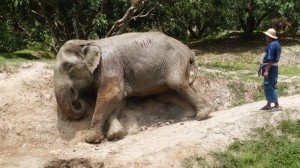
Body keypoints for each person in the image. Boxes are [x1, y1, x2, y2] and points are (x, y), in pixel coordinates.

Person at [259, 28, 282, 111]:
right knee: (271, 85)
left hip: (270, 68)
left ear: (270, 37)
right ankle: (269, 104)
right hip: (274, 68)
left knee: (269, 85)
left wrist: (266, 71)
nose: (265, 37)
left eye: (266, 36)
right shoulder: (277, 44)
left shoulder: (271, 45)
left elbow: (270, 59)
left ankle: (276, 105)